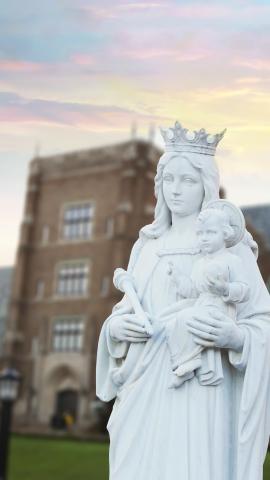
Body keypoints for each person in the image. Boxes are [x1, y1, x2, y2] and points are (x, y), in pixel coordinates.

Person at [96, 121, 270, 480]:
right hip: (142, 383)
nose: (176, 190)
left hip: (200, 392)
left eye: (187, 181)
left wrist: (235, 339)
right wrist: (115, 329)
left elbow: (261, 320)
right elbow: (125, 309)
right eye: (168, 180)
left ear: (206, 185)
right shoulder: (146, 246)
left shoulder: (230, 248)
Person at [166, 205, 250, 388]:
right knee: (172, 325)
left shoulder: (232, 261)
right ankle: (187, 361)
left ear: (225, 234)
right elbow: (194, 291)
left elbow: (244, 290)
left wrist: (226, 289)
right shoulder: (199, 264)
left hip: (219, 311)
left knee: (185, 317)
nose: (204, 238)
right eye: (200, 233)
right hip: (202, 306)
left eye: (210, 233)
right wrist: (178, 278)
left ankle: (189, 363)